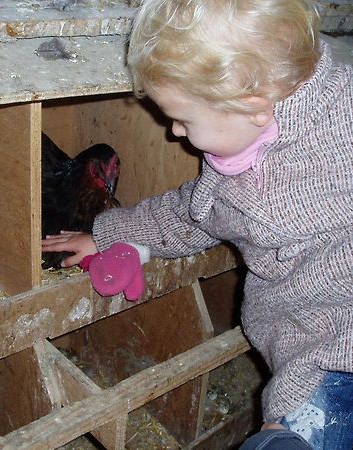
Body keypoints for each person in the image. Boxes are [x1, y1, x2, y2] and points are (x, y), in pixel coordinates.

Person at [42, 0, 353, 448]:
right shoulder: (333, 86)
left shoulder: (255, 194)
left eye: (183, 119)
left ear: (252, 106)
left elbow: (192, 213)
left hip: (330, 356)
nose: (174, 133)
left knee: (283, 437)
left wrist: (108, 232)